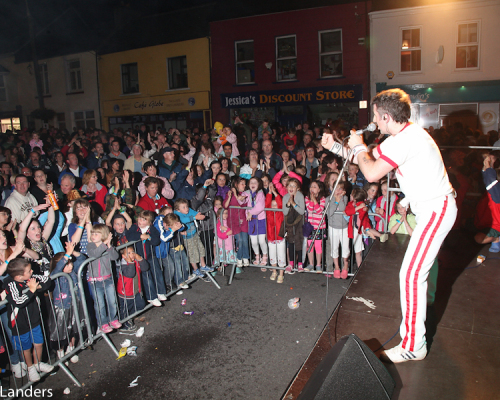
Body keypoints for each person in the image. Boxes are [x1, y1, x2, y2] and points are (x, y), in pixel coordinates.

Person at [323, 88, 457, 363]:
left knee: (410, 275)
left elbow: (370, 172)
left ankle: (413, 345)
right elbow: (365, 159)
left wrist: (359, 146)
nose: (373, 120)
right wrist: (335, 147)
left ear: (385, 117)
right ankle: (414, 337)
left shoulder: (406, 140)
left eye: (375, 115)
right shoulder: (403, 136)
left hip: (437, 209)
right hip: (432, 208)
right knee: (412, 274)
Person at [4, 258, 54, 382]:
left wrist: (38, 287)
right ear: (19, 276)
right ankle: (30, 367)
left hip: (34, 319)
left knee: (39, 343)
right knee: (26, 348)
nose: (32, 271)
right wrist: (32, 290)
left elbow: (46, 280)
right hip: (20, 323)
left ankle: (38, 363)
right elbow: (18, 301)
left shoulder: (29, 277)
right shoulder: (10, 284)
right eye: (29, 270)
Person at [49, 241, 84, 364]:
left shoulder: (74, 273)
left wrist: (72, 252)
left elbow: (82, 260)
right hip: (61, 307)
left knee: (73, 327)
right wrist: (67, 255)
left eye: (70, 263)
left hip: (74, 304)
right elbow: (58, 269)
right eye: (67, 264)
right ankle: (60, 352)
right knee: (60, 331)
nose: (70, 266)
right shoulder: (57, 275)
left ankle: (71, 348)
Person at [86, 224, 121, 333]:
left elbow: (114, 257)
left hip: (108, 279)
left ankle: (113, 319)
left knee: (112, 301)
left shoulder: (107, 246)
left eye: (97, 234)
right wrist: (104, 244)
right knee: (100, 304)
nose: (93, 235)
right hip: (95, 281)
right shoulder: (90, 246)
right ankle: (103, 323)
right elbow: (95, 254)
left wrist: (109, 245)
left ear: (104, 235)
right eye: (92, 233)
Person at [116, 246, 148, 332]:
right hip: (126, 292)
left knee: (141, 305)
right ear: (123, 256)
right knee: (125, 309)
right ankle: (124, 325)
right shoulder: (123, 265)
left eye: (132, 252)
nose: (132, 255)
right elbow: (130, 274)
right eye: (128, 253)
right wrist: (130, 262)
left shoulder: (135, 262)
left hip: (136, 290)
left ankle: (130, 316)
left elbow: (145, 268)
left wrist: (140, 259)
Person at [224, 177, 250, 272]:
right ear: (236, 184)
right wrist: (231, 196)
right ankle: (239, 258)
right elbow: (225, 206)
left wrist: (236, 194)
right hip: (234, 220)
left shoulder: (245, 194)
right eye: (242, 183)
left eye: (244, 184)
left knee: (244, 239)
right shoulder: (229, 194)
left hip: (243, 219)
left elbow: (242, 203)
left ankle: (245, 257)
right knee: (239, 240)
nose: (244, 185)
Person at [244, 177, 268, 269]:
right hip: (251, 220)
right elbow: (242, 202)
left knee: (261, 240)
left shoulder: (261, 193)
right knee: (253, 241)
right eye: (251, 182)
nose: (253, 184)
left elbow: (260, 206)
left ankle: (265, 255)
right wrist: (241, 198)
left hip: (260, 219)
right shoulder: (247, 193)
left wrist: (250, 212)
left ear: (259, 185)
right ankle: (257, 256)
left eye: (255, 182)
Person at [283, 178, 305, 273]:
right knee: (291, 242)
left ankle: (300, 262)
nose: (291, 188)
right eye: (290, 185)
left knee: (299, 241)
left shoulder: (300, 196)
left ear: (298, 188)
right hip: (290, 223)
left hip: (299, 222)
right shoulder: (285, 197)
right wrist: (288, 204)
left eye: (294, 186)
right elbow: (285, 212)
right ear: (286, 187)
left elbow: (301, 211)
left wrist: (294, 204)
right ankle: (291, 263)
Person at [305, 181, 327, 273]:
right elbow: (309, 209)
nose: (312, 188)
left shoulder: (322, 199)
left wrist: (314, 200)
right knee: (309, 246)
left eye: (314, 187)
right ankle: (311, 263)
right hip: (310, 226)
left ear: (319, 189)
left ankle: (318, 264)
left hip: (319, 227)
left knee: (318, 246)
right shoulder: (307, 198)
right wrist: (311, 200)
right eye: (311, 186)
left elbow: (319, 211)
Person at [266, 184, 286, 283]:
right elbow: (267, 203)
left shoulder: (280, 212)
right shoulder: (268, 212)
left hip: (280, 238)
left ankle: (281, 274)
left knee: (281, 256)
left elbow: (281, 203)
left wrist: (274, 192)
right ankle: (274, 271)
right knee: (272, 256)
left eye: (276, 204)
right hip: (271, 238)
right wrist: (269, 192)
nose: (274, 206)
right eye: (272, 204)